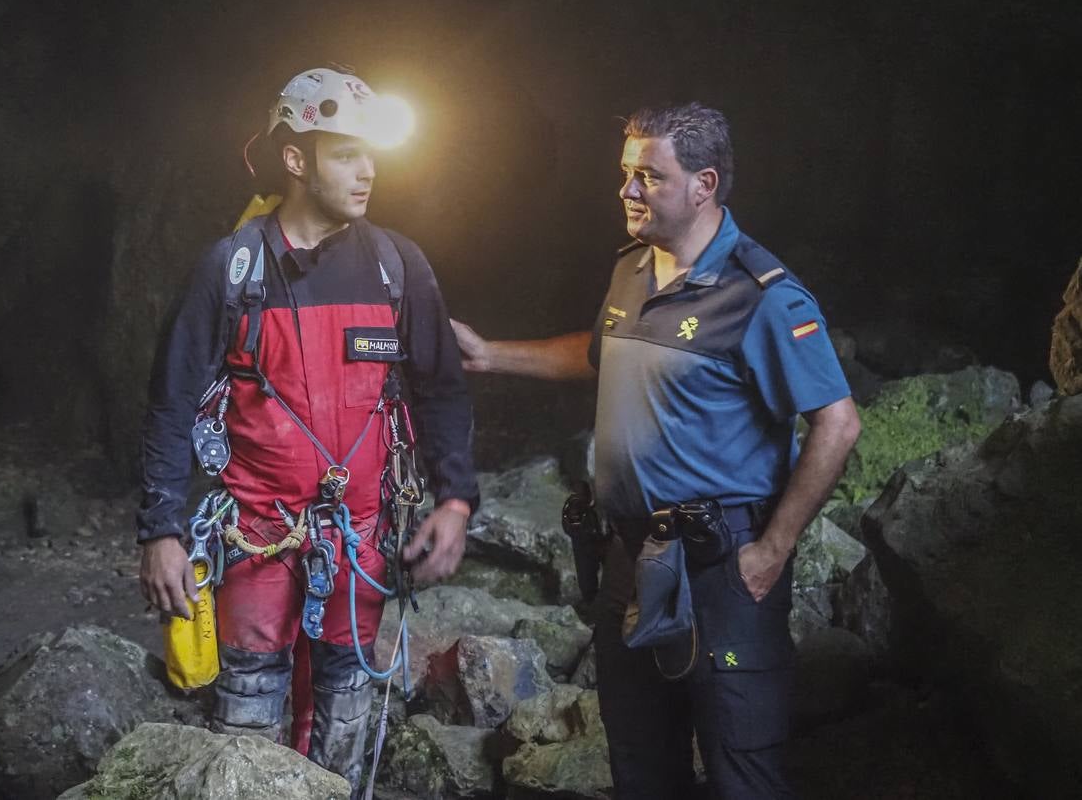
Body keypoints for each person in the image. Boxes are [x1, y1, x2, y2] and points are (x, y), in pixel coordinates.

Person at [452, 103, 860, 799]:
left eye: (649, 176)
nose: (627, 191)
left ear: (703, 184)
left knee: (740, 768)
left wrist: (769, 553)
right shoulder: (632, 269)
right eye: (625, 174)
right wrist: (489, 355)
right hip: (630, 560)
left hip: (721, 564)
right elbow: (596, 356)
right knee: (640, 764)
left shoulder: (760, 295)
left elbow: (838, 423)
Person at [137, 66, 478, 791]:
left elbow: (441, 389)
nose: (367, 172)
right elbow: (169, 405)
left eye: (371, 155)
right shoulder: (231, 269)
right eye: (346, 154)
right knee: (247, 717)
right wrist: (160, 532)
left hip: (358, 535)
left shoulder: (396, 266)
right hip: (256, 532)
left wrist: (455, 499)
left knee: (347, 717)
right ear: (296, 159)